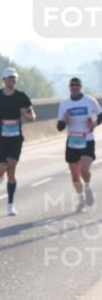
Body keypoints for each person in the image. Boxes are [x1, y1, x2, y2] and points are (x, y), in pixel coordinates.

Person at [0, 67, 36, 216]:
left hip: (15, 137)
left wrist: (29, 116)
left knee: (12, 168)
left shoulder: (21, 96)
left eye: (14, 78)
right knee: (1, 169)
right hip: (0, 138)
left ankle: (10, 204)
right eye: (9, 78)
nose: (12, 80)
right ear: (3, 80)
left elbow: (31, 113)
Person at [56, 77, 102, 212]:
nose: (75, 87)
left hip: (87, 139)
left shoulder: (90, 101)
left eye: (77, 85)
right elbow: (59, 127)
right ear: (69, 87)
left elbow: (101, 115)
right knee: (75, 175)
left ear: (81, 87)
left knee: (84, 169)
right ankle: (81, 198)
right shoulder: (64, 104)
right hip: (72, 142)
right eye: (72, 85)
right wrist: (65, 120)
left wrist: (94, 123)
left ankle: (87, 187)